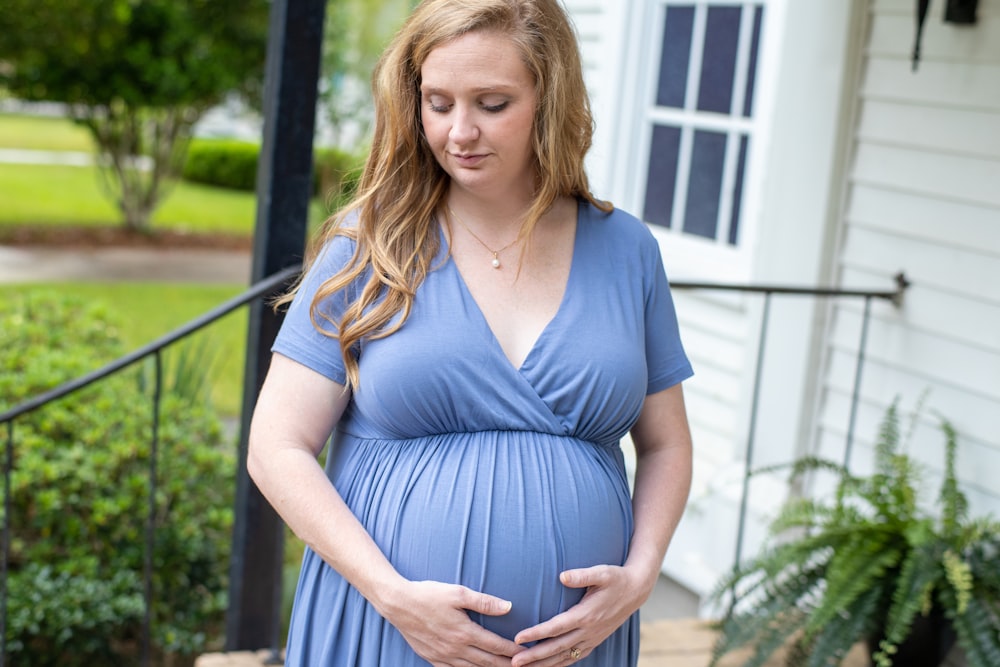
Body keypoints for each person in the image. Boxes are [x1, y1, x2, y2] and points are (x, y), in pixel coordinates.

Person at [247, 0, 694, 665]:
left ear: (550, 98)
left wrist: (641, 575)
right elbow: (275, 445)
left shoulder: (626, 250)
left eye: (491, 103)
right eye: (438, 102)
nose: (460, 132)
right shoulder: (369, 245)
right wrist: (390, 591)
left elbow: (665, 444)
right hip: (390, 628)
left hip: (577, 646)